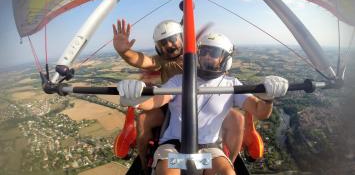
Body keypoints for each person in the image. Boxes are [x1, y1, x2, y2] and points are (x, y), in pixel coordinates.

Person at [117, 32, 289, 175]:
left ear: (225, 59)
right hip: (175, 146)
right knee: (168, 172)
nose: (207, 56)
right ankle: (147, 165)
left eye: (213, 53)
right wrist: (137, 99)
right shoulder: (179, 81)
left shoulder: (232, 84)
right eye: (204, 51)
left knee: (228, 173)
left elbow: (260, 111)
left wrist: (268, 98)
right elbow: (156, 101)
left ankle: (228, 162)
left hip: (209, 150)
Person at [113, 19, 243, 169]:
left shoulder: (200, 55)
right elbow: (141, 61)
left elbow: (218, 65)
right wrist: (124, 51)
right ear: (158, 48)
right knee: (143, 119)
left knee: (238, 118)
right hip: (171, 103)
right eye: (163, 43)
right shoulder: (162, 61)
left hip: (206, 101)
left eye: (172, 39)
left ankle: (231, 161)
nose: (168, 45)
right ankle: (144, 164)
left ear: (182, 39)